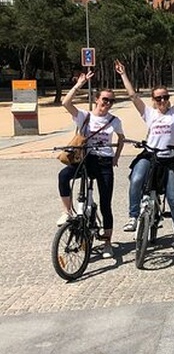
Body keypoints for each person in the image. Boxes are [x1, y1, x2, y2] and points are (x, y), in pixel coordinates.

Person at [116, 56, 174, 250]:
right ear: (154, 101)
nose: (163, 100)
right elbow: (133, 97)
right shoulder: (150, 113)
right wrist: (123, 74)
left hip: (169, 159)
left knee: (173, 198)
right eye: (158, 98)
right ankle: (133, 217)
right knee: (136, 179)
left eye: (165, 97)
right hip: (150, 155)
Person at [57, 71, 125, 259]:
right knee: (63, 176)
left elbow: (121, 139)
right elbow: (66, 103)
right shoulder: (84, 116)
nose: (107, 104)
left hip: (104, 163)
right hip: (85, 160)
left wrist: (116, 157)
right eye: (105, 99)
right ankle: (67, 212)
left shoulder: (114, 120)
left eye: (111, 101)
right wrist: (79, 84)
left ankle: (107, 243)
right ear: (96, 99)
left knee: (105, 203)